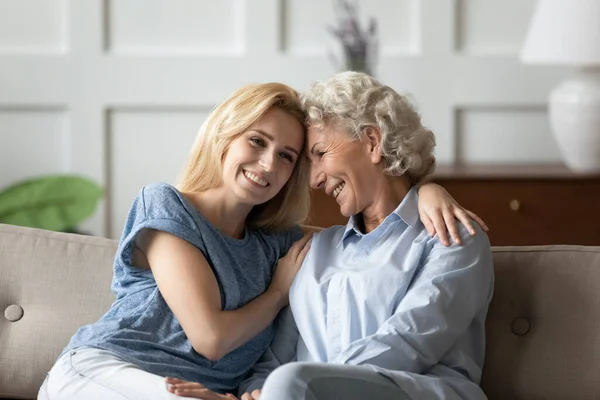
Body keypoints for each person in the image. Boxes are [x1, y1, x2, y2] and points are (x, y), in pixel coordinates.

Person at [39, 80, 485, 400]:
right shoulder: (178, 210)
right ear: (225, 138)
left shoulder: (444, 234)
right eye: (257, 141)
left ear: (372, 142)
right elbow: (243, 346)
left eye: (301, 156)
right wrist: (260, 381)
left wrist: (427, 189)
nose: (308, 178)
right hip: (111, 373)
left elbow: (406, 338)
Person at [166, 72, 493, 400]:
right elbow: (273, 361)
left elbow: (408, 344)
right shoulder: (315, 250)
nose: (315, 180)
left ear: (373, 142)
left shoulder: (452, 236)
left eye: (320, 154)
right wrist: (256, 392)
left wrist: (299, 386)